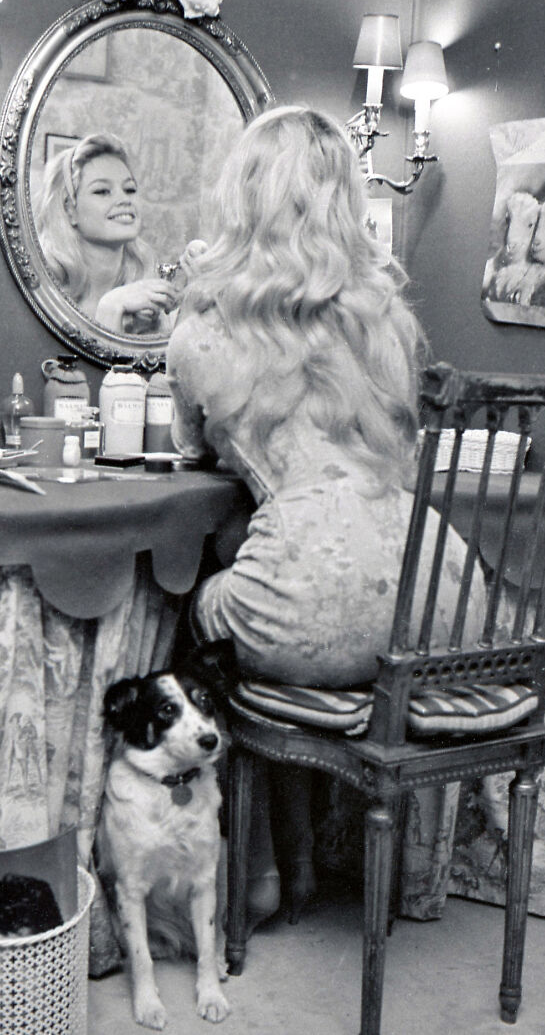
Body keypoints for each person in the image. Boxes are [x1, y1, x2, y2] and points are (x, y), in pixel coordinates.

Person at [166, 106, 485, 928]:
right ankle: (307, 858)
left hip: (306, 601)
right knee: (255, 557)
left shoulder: (203, 331)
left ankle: (266, 865)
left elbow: (192, 442)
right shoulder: (385, 320)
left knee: (203, 604)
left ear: (244, 199)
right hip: (435, 594)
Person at [34, 133, 177, 334]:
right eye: (102, 191)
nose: (124, 199)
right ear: (69, 210)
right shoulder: (42, 300)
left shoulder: (150, 299)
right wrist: (110, 309)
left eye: (129, 189)